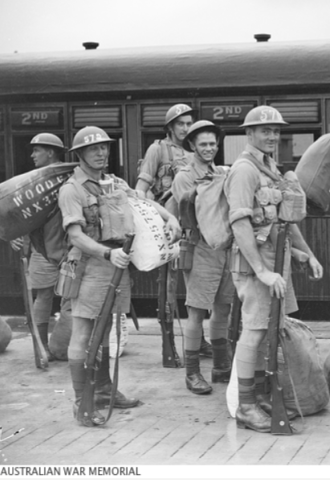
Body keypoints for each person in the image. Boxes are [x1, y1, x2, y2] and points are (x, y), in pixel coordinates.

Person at [58, 126, 181, 425]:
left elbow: (141, 202)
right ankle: (81, 401)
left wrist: (170, 216)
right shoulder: (72, 189)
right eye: (93, 149)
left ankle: (102, 390)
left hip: (118, 263)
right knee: (84, 332)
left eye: (104, 147)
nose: (101, 153)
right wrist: (106, 253)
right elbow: (75, 236)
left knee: (106, 331)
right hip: (90, 267)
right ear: (80, 154)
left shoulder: (113, 182)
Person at [225, 105, 323, 433]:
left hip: (273, 262)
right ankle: (246, 405)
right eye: (265, 130)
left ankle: (260, 396)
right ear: (248, 133)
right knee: (253, 331)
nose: (272, 136)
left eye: (276, 131)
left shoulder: (270, 169)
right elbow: (239, 224)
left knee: (268, 331)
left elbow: (284, 219)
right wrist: (262, 271)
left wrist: (306, 254)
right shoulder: (244, 170)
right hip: (254, 266)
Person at [134, 104, 211, 358]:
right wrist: (155, 221)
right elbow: (140, 191)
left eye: (190, 123)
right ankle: (169, 348)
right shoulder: (158, 149)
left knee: (195, 288)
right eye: (181, 124)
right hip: (167, 227)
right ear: (170, 127)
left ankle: (197, 342)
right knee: (168, 288)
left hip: (192, 229)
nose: (186, 128)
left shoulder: (194, 154)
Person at [171, 120, 235, 394]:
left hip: (225, 249)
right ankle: (192, 373)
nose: (209, 148)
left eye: (212, 144)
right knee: (197, 311)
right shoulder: (184, 176)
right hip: (200, 248)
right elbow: (193, 212)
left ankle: (221, 367)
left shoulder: (221, 171)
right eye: (203, 144)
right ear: (192, 146)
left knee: (224, 308)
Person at [9, 133, 72, 361]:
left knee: (71, 299)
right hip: (41, 250)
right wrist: (11, 235)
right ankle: (41, 347)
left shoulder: (70, 175)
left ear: (51, 152)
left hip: (70, 251)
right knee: (43, 296)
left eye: (37, 150)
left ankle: (66, 346)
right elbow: (14, 212)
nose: (32, 155)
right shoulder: (30, 181)